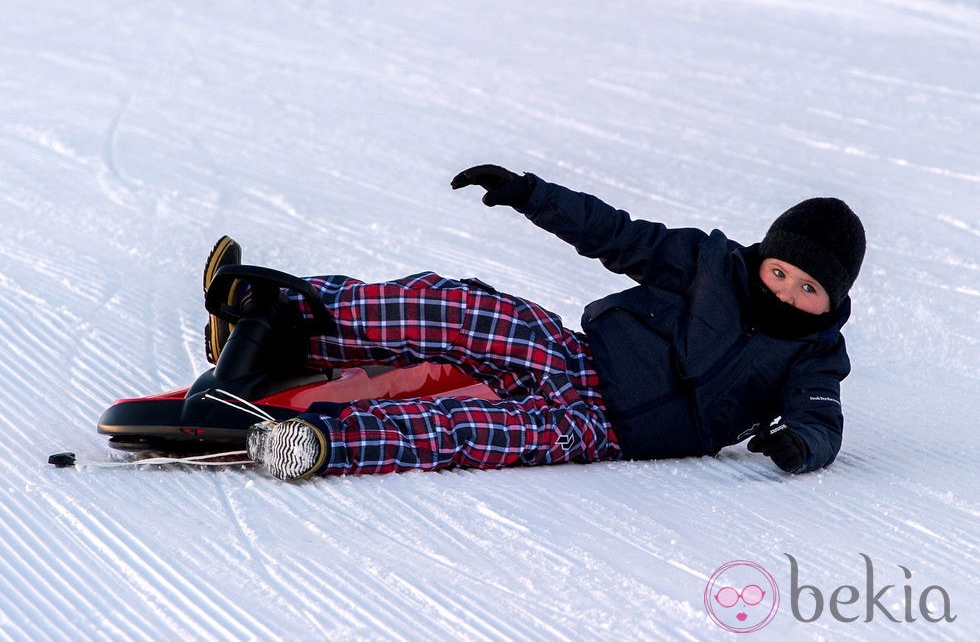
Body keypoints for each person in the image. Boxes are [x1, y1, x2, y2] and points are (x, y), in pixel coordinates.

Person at [218, 164, 865, 481]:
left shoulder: (814, 355)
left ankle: (314, 442)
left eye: (808, 289)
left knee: (468, 432)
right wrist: (532, 194)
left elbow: (820, 416)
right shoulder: (712, 265)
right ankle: (283, 312)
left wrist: (802, 447)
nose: (787, 292)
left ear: (831, 302)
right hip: (575, 357)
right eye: (781, 272)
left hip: (600, 430)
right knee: (457, 308)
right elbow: (619, 235)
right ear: (765, 255)